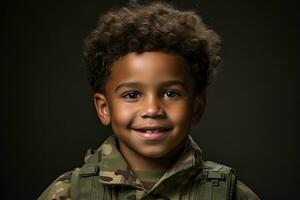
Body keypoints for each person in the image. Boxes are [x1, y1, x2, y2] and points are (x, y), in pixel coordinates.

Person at [38, 1, 260, 199]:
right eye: (132, 95)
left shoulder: (229, 194)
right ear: (104, 108)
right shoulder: (69, 193)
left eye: (170, 94)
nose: (152, 109)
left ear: (197, 106)